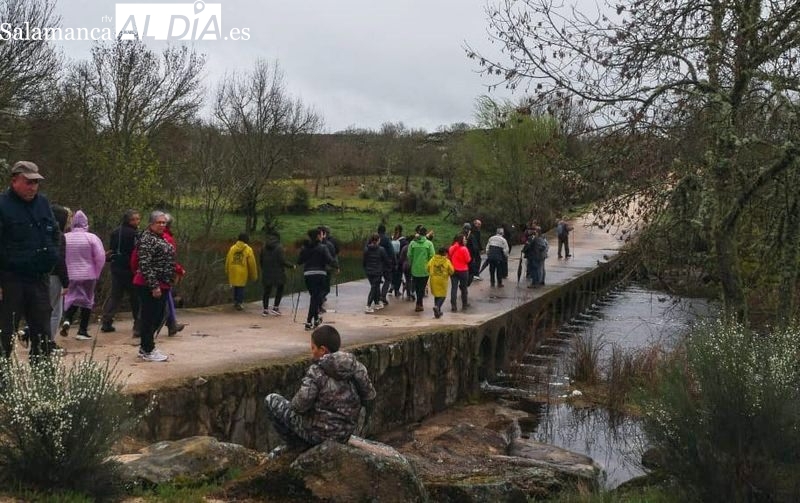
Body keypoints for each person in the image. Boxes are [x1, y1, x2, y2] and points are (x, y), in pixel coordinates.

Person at [264, 325, 376, 452]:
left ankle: (295, 445)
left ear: (322, 350)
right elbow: (370, 396)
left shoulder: (317, 371)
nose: (311, 351)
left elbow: (300, 405)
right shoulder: (357, 367)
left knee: (271, 400)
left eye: (313, 347)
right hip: (344, 434)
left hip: (318, 435)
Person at [0, 161, 61, 358]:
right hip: (11, 279)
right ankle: (4, 382)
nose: (33, 187)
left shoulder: (42, 203)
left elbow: (55, 233)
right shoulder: (3, 205)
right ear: (14, 180)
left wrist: (53, 255)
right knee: (5, 334)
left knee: (43, 333)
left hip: (39, 278)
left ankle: (44, 381)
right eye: (28, 182)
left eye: (36, 182)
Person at [132, 211, 175, 362]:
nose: (162, 225)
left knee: (158, 317)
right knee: (149, 317)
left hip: (163, 283)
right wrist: (154, 286)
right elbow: (144, 263)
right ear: (151, 223)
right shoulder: (147, 239)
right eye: (159, 222)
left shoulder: (160, 238)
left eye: (164, 223)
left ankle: (147, 346)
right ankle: (147, 349)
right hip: (148, 284)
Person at [60, 210, 106, 340]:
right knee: (87, 301)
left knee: (71, 297)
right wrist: (97, 272)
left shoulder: (65, 237)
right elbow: (100, 256)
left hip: (70, 274)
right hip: (88, 274)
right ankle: (82, 330)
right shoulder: (91, 238)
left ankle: (67, 319)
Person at [101, 209, 141, 334]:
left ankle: (106, 321)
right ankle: (138, 325)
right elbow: (137, 251)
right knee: (135, 297)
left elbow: (112, 249)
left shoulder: (115, 232)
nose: (136, 221)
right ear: (128, 220)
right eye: (134, 219)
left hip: (116, 266)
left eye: (138, 219)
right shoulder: (135, 234)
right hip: (130, 268)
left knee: (115, 295)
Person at [298, 228, 338, 331]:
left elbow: (299, 261)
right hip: (320, 274)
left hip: (308, 274)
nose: (322, 237)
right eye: (320, 235)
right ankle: (308, 321)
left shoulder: (305, 248)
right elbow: (329, 260)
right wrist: (336, 266)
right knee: (315, 298)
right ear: (317, 236)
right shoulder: (323, 248)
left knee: (314, 297)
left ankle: (316, 319)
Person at [48, 205, 70, 351]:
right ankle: (49, 341)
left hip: (41, 275)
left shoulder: (43, 232)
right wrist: (66, 282)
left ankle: (36, 336)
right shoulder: (58, 236)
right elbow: (60, 260)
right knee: (55, 312)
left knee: (42, 309)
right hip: (54, 276)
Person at [260, 232, 295, 316]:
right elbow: (282, 261)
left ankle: (265, 310)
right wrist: (292, 266)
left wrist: (264, 269)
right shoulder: (279, 247)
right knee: (280, 289)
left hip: (266, 272)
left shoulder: (264, 247)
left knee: (266, 291)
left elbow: (261, 260)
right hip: (278, 272)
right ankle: (275, 307)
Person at [162, 214, 186, 335]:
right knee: (167, 296)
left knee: (167, 297)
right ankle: (171, 324)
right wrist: (179, 270)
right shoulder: (167, 238)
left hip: (149, 273)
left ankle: (172, 323)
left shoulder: (148, 235)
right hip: (163, 273)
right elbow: (170, 259)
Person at [225, 233, 258, 311]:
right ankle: (239, 303)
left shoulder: (232, 248)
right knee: (241, 287)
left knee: (236, 286)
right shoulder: (248, 249)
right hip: (242, 271)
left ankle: (236, 301)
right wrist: (254, 275)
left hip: (233, 270)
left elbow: (228, 259)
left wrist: (227, 270)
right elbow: (252, 264)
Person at [407, 226, 435, 312]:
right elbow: (432, 255)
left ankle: (419, 304)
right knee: (422, 287)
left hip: (415, 269)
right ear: (425, 233)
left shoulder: (412, 243)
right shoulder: (429, 244)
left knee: (417, 286)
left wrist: (412, 263)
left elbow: (409, 255)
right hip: (425, 269)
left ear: (419, 233)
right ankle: (419, 304)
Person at [363, 233, 390, 313]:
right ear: (378, 240)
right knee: (374, 287)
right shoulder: (381, 249)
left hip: (369, 271)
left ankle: (377, 302)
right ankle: (368, 305)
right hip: (377, 271)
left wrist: (366, 268)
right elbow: (386, 260)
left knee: (375, 286)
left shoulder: (366, 249)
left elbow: (364, 261)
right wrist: (389, 266)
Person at [427, 246, 454, 319]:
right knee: (443, 296)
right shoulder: (446, 261)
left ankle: (437, 312)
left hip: (434, 279)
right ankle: (437, 307)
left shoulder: (433, 259)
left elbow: (428, 267)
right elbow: (451, 271)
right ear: (445, 253)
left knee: (437, 295)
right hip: (443, 280)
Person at [447, 233, 471, 311]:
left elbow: (449, 257)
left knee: (454, 288)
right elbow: (468, 260)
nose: (465, 240)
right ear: (461, 240)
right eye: (464, 239)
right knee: (464, 288)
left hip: (453, 270)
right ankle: (464, 304)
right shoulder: (464, 249)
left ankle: (453, 305)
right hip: (463, 271)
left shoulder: (451, 248)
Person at [376, 224, 395, 305]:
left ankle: (376, 296)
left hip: (376, 263)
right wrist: (393, 261)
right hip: (386, 263)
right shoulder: (386, 239)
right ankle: (383, 296)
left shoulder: (374, 238)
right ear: (384, 231)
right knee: (387, 279)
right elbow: (391, 251)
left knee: (377, 281)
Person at [390, 224, 406, 297]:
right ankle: (396, 290)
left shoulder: (392, 238)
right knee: (399, 275)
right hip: (399, 260)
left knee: (393, 274)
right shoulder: (403, 240)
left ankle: (392, 286)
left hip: (392, 260)